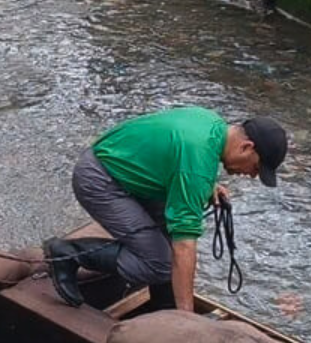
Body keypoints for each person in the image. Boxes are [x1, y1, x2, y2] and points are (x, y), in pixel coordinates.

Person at [44, 107, 287, 311]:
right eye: (256, 168)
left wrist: (207, 184)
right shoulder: (196, 167)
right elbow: (184, 246)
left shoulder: (213, 125)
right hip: (100, 179)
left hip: (123, 166)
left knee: (167, 245)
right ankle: (66, 253)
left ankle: (163, 309)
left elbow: (180, 158)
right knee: (161, 262)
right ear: (246, 147)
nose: (253, 176)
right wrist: (187, 318)